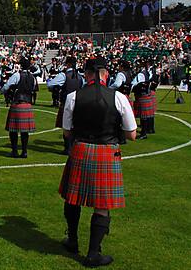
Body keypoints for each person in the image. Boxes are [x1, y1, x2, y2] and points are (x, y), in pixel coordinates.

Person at [58, 57, 137, 267]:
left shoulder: (73, 96)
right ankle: (93, 253)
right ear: (105, 74)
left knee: (73, 198)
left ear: (87, 74)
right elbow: (132, 134)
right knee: (102, 204)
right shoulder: (118, 97)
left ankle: (72, 241)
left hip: (81, 149)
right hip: (106, 151)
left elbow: (67, 132)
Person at [2, 56, 37, 158]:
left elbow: (6, 87)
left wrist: (3, 91)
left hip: (17, 103)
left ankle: (14, 151)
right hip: (27, 104)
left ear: (21, 66)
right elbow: (33, 88)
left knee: (13, 130)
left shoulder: (17, 75)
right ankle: (24, 151)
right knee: (24, 131)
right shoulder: (32, 77)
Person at [47, 56, 84, 155]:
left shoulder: (63, 75)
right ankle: (74, 147)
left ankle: (67, 148)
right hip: (78, 103)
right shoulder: (80, 76)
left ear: (68, 64)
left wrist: (54, 86)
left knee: (66, 126)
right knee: (75, 126)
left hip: (66, 103)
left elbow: (50, 85)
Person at [131, 60, 156, 139]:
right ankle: (148, 130)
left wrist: (132, 87)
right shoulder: (147, 72)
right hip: (146, 94)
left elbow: (137, 84)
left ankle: (144, 133)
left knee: (143, 116)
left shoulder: (141, 74)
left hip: (142, 95)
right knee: (145, 115)